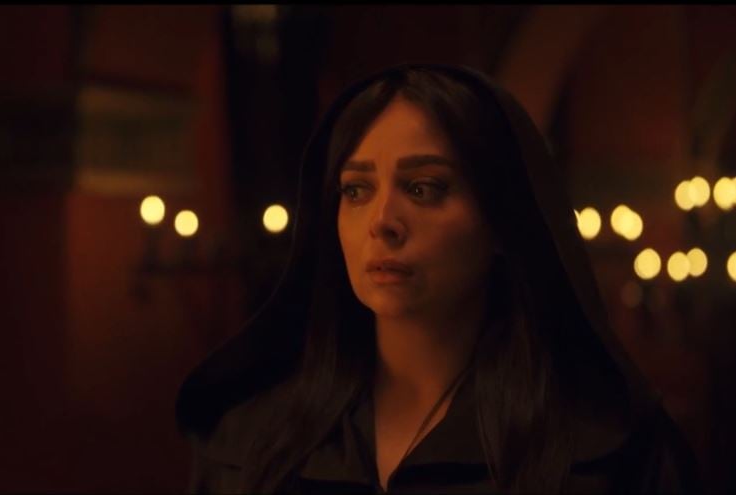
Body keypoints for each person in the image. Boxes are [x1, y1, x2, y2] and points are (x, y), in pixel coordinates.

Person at [175, 64, 701, 493]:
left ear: (499, 220)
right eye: (356, 191)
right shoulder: (247, 444)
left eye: (423, 188)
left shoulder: (607, 453)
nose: (382, 220)